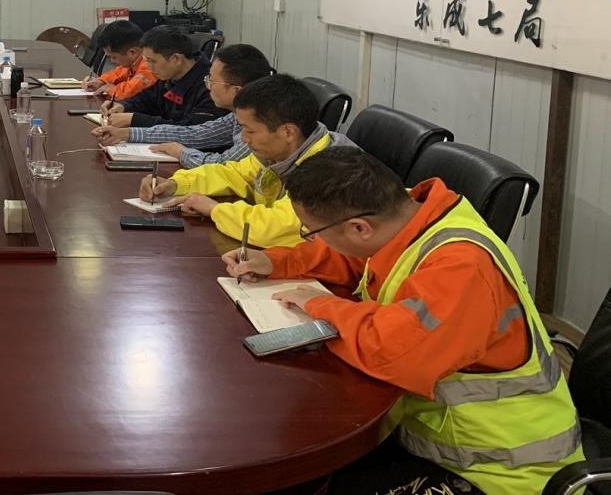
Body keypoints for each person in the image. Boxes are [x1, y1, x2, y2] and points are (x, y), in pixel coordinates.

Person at [225, 149, 584, 495]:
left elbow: (392, 351)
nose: (313, 239)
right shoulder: (407, 216)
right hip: (425, 435)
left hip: (499, 472)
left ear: (359, 227)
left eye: (312, 231)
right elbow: (355, 258)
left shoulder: (461, 267)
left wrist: (320, 304)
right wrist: (276, 262)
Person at [139, 73, 352, 247]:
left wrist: (214, 209)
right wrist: (176, 184)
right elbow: (233, 174)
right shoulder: (278, 152)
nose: (243, 139)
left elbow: (275, 229)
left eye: (250, 131)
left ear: (287, 132)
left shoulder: (331, 171)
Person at [92, 44, 273, 168]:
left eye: (212, 80)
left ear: (236, 90)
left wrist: (181, 153)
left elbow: (225, 165)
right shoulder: (236, 115)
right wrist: (127, 134)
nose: (207, 85)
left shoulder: (262, 124)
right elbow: (195, 134)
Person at [100, 25, 223, 128]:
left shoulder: (211, 85)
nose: (148, 67)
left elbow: (191, 131)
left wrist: (135, 120)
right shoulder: (171, 76)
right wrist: (123, 106)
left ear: (176, 59)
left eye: (152, 61)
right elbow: (147, 99)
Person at [79, 20, 158, 101]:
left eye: (113, 57)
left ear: (132, 52)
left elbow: (129, 93)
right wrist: (101, 81)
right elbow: (119, 72)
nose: (112, 61)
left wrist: (110, 89)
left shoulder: (150, 65)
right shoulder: (133, 61)